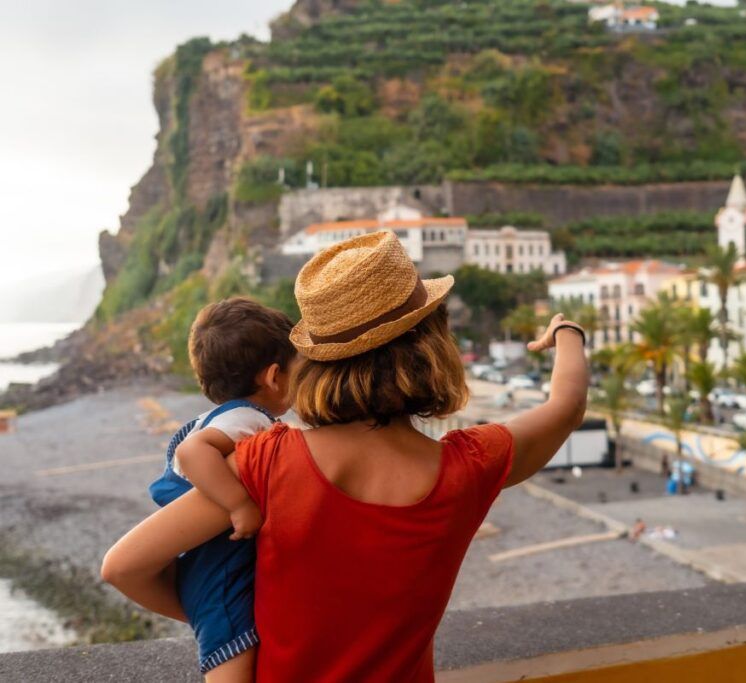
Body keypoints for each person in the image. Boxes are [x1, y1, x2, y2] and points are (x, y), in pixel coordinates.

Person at [102, 231, 589, 681]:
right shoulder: (469, 467)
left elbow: (123, 568)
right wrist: (567, 333)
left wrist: (239, 614)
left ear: (315, 361)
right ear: (434, 344)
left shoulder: (267, 463)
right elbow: (564, 407)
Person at [147, 298, 295, 680]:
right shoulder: (248, 419)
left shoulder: (213, 418)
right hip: (220, 574)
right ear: (274, 376)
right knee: (231, 661)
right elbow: (192, 452)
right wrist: (239, 504)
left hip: (199, 567)